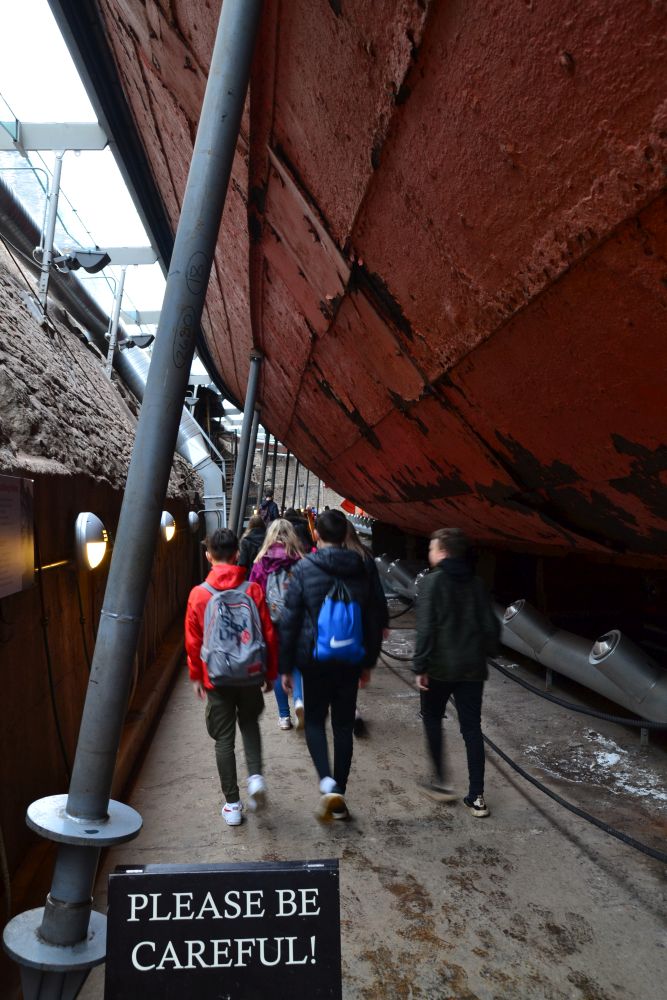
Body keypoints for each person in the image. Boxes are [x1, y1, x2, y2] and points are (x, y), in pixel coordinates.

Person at [279, 509, 388, 821]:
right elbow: (373, 617)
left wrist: (286, 666)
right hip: (350, 659)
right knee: (342, 726)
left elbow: (290, 620)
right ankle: (340, 790)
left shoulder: (304, 568)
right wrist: (368, 662)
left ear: (316, 535)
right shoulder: (362, 566)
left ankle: (327, 784)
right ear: (345, 535)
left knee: (315, 722)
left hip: (314, 659)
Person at [185, 528, 278, 826]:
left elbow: (193, 642)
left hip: (217, 676)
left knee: (223, 738)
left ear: (208, 556)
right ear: (237, 554)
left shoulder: (199, 594)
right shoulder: (253, 590)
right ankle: (256, 778)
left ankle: (233, 805)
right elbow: (268, 635)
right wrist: (270, 672)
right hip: (250, 673)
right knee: (249, 723)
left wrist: (196, 676)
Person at [412, 528, 499, 818]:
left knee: (432, 718)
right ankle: (477, 797)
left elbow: (425, 628)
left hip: (439, 668)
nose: (429, 552)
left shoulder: (432, 582)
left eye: (432, 548)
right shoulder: (477, 583)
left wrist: (420, 665)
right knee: (472, 729)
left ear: (444, 552)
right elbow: (490, 627)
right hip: (472, 668)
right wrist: (488, 651)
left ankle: (441, 782)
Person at [249, 518, 305, 731]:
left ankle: (284, 717)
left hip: (271, 622)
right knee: (296, 662)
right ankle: (299, 699)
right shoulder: (300, 560)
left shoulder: (261, 562)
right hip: (297, 620)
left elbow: (253, 593)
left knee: (278, 667)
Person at [343, 521, 389, 737]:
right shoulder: (365, 557)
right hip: (365, 620)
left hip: (341, 622)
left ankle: (351, 711)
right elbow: (378, 593)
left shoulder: (333, 559)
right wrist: (384, 621)